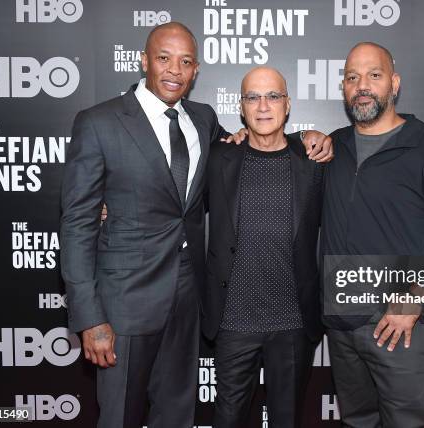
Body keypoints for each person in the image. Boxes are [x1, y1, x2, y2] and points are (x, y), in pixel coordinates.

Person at [60, 22, 332, 428]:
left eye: (186, 61)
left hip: (189, 302)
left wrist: (308, 135)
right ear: (143, 61)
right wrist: (90, 317)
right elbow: (77, 222)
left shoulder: (202, 119)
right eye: (164, 58)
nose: (175, 70)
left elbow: (249, 144)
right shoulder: (99, 122)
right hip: (125, 305)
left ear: (196, 70)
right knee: (119, 417)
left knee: (177, 414)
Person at [320, 42, 424, 427]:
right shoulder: (331, 147)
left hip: (399, 327)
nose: (362, 85)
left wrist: (418, 297)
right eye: (352, 77)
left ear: (394, 83)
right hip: (341, 324)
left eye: (374, 75)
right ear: (343, 86)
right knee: (357, 421)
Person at [203, 67, 324, 428]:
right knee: (227, 419)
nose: (263, 106)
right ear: (241, 107)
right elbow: (171, 202)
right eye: (252, 97)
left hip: (292, 323)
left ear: (287, 105)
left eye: (273, 96)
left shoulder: (315, 161)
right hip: (233, 321)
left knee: (287, 420)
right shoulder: (217, 158)